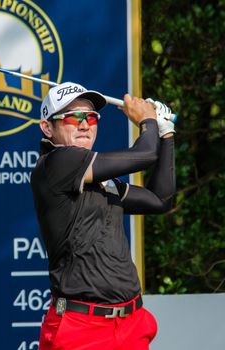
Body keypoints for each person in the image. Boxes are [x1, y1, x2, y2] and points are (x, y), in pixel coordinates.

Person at [30, 82, 176, 350]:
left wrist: (166, 134)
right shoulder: (55, 164)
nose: (85, 125)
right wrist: (147, 120)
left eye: (91, 117)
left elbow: (160, 200)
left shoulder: (100, 183)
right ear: (47, 128)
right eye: (73, 118)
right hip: (81, 328)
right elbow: (144, 154)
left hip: (131, 324)